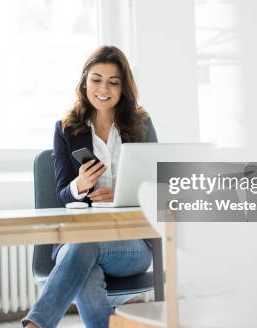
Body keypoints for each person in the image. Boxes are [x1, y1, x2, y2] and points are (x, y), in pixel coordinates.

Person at [22, 46, 158, 328]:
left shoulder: (141, 125)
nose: (103, 89)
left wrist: (123, 191)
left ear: (124, 87)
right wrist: (78, 185)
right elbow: (61, 193)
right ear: (84, 82)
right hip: (75, 239)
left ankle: (36, 324)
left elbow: (157, 185)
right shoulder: (67, 129)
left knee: (87, 249)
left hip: (131, 243)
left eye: (113, 81)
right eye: (96, 79)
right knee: (87, 269)